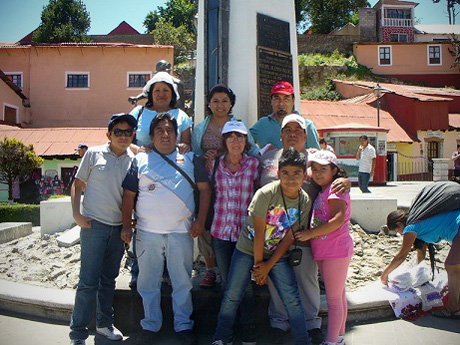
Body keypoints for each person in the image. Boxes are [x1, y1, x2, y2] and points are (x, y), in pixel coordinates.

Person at [260, 114, 350, 345]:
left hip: (305, 236)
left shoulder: (314, 161)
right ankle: (279, 322)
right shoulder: (268, 156)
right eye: (287, 130)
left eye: (297, 130)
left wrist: (346, 180)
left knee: (307, 279)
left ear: (305, 135)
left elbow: (331, 177)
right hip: (274, 236)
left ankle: (311, 323)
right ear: (280, 135)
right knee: (276, 280)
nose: (292, 134)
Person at [121, 113, 211, 345]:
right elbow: (129, 195)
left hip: (181, 233)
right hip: (147, 233)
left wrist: (200, 220)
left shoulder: (189, 158)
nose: (165, 134)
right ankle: (150, 325)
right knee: (147, 282)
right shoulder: (140, 160)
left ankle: (183, 326)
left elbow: (204, 190)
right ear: (151, 137)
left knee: (182, 281)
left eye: (170, 130)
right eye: (159, 130)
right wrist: (126, 226)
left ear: (176, 134)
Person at [212, 148, 312, 345]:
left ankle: (303, 340)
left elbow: (289, 237)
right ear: (278, 173)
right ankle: (221, 337)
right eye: (286, 173)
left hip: (277, 253)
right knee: (232, 294)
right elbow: (259, 232)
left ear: (304, 176)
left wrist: (268, 266)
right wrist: (259, 267)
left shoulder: (304, 201)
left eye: (297, 174)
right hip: (248, 249)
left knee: (292, 299)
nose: (291, 179)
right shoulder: (265, 194)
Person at [69, 113, 137, 345]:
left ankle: (104, 324)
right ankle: (77, 333)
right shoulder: (93, 153)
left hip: (118, 229)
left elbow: (133, 195)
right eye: (118, 131)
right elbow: (77, 185)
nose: (123, 136)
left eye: (128, 132)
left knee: (108, 280)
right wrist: (77, 214)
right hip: (94, 226)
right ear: (109, 134)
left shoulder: (134, 160)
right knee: (87, 281)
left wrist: (130, 221)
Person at [191, 84, 258, 287]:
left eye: (224, 101)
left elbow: (253, 149)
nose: (220, 105)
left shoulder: (238, 125)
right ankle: (210, 269)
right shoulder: (201, 127)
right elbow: (194, 154)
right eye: (215, 101)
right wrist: (205, 158)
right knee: (206, 225)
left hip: (235, 183)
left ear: (231, 104)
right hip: (208, 182)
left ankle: (237, 269)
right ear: (209, 104)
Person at [208, 120, 260, 343]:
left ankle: (240, 332)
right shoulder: (214, 164)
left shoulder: (254, 165)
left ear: (246, 141)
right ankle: (233, 330)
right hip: (220, 232)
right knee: (229, 282)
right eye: (231, 137)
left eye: (240, 137)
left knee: (243, 284)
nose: (235, 141)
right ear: (224, 140)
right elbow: (207, 194)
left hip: (245, 235)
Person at [297, 150, 353, 345]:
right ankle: (339, 336)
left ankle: (332, 341)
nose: (318, 173)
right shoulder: (323, 189)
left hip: (335, 250)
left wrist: (310, 234)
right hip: (326, 250)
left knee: (334, 299)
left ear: (334, 170)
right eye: (314, 169)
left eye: (323, 169)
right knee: (339, 294)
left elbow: (337, 220)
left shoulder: (335, 189)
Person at [382, 182, 460, 319]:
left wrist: (385, 273)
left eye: (398, 231)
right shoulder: (419, 219)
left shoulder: (411, 228)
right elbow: (420, 254)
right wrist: (408, 271)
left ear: (400, 224)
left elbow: (401, 255)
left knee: (452, 266)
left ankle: (453, 309)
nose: (400, 234)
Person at [129, 71, 192, 154]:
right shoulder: (137, 113)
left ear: (172, 93)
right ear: (151, 93)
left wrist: (184, 147)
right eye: (157, 90)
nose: (161, 94)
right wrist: (138, 149)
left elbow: (187, 143)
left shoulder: (182, 116)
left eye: (166, 90)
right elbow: (124, 140)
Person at [249, 81, 319, 150]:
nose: (281, 103)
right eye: (277, 99)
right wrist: (259, 152)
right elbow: (244, 144)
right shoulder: (262, 125)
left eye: (286, 99)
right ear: (271, 101)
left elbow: (316, 156)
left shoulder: (307, 126)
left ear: (293, 100)